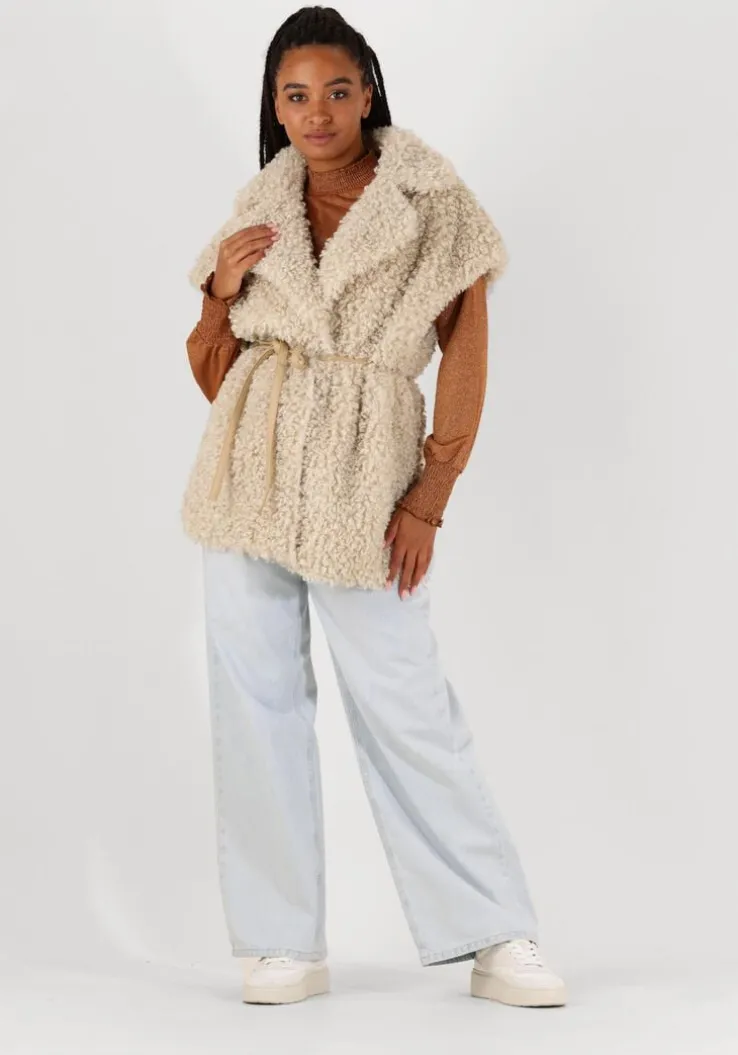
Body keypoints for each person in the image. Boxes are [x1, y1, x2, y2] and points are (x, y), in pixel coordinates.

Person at [181, 5, 567, 1008]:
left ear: (369, 93)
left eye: (337, 91)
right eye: (295, 95)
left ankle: (496, 930)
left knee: (407, 701)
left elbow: (467, 355)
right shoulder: (257, 208)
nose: (317, 113)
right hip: (247, 476)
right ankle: (280, 940)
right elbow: (219, 375)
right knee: (254, 702)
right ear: (275, 107)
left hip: (366, 478)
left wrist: (429, 499)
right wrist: (219, 292)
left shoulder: (433, 205)